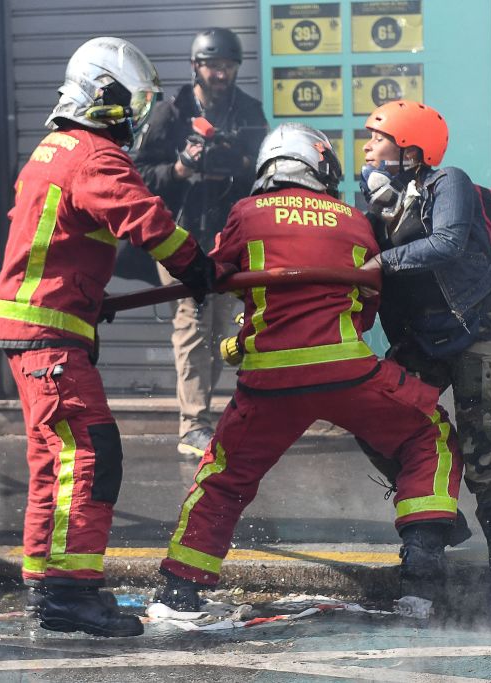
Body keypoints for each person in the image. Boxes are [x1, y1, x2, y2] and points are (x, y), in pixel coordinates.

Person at [155, 123, 465, 618]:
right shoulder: (353, 220)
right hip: (347, 373)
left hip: (268, 384)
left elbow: (217, 276)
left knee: (224, 476)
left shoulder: (245, 213)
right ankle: (422, 582)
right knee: (430, 435)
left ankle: (178, 592)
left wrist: (245, 338)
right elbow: (364, 311)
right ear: (322, 166)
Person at [0, 37, 221, 638]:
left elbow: (61, 243)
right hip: (50, 336)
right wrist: (198, 267)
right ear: (105, 98)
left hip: (35, 330)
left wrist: (89, 300)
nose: (135, 120)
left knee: (52, 462)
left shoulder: (50, 151)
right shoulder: (94, 155)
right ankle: (72, 593)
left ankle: (46, 584)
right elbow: (144, 218)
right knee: (91, 455)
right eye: (130, 106)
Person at [358, 100, 491, 627]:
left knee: (485, 456)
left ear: (409, 148)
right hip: (423, 339)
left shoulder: (446, 181)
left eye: (376, 138)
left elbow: (449, 243)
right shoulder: (375, 209)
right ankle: (443, 517)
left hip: (479, 329)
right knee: (375, 415)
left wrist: (383, 259)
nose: (366, 147)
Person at [133, 27, 268, 457]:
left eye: (228, 65)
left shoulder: (249, 111)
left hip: (228, 235)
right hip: (180, 233)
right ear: (196, 66)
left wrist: (240, 161)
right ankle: (193, 424)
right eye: (213, 65)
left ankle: (208, 416)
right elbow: (139, 177)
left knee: (221, 327)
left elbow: (264, 174)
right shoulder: (170, 112)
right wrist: (178, 170)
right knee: (192, 323)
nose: (221, 73)